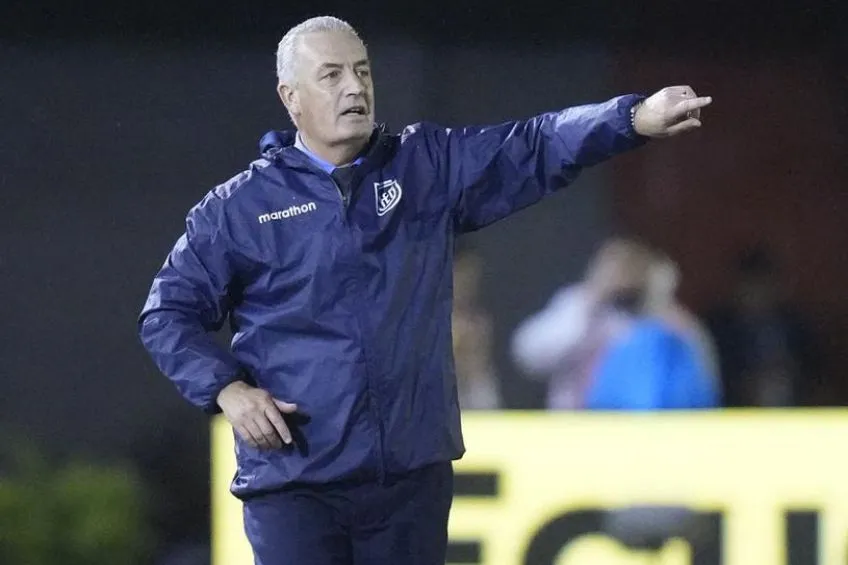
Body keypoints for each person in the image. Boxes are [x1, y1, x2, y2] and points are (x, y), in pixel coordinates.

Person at [137, 15, 712, 565]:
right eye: (331, 75)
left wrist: (631, 117)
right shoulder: (238, 209)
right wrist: (227, 391)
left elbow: (532, 146)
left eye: (362, 71)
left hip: (410, 481)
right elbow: (167, 314)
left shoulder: (424, 168)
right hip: (295, 482)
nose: (354, 87)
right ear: (291, 98)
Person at [451, 241, 501, 410]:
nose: (467, 285)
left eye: (472, 276)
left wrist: (474, 366)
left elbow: (488, 410)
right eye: (461, 275)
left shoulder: (477, 325)